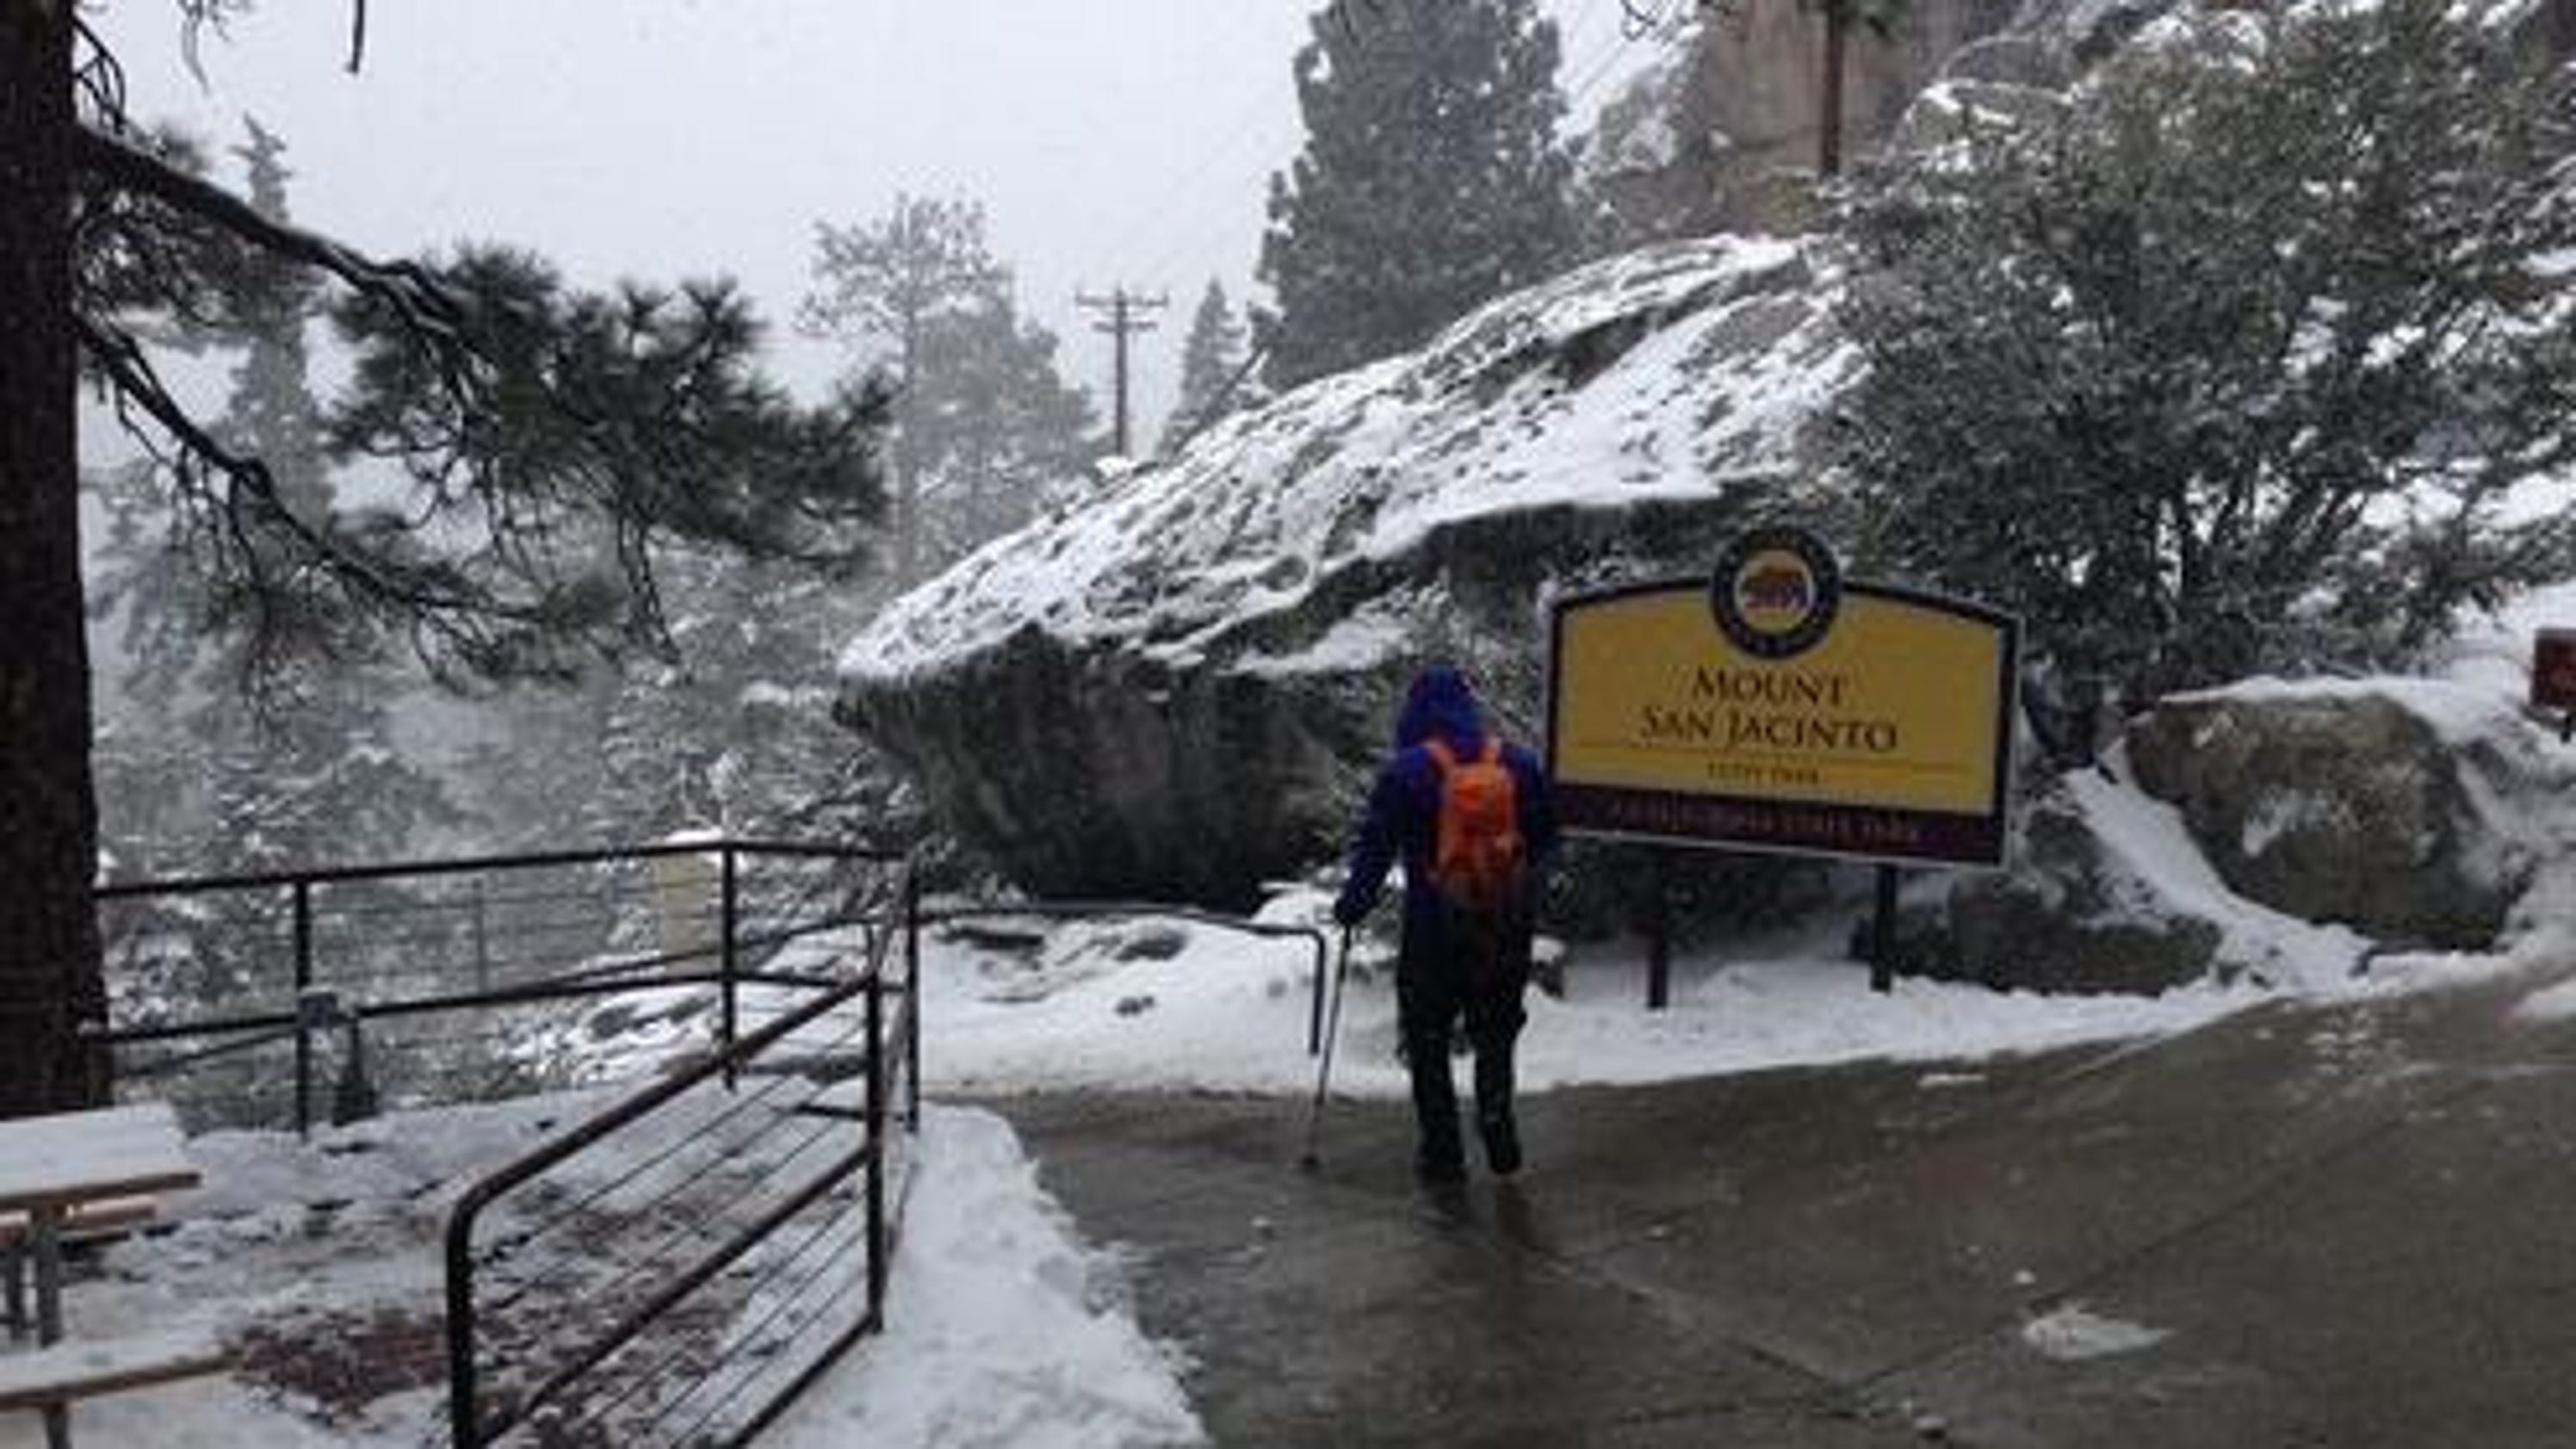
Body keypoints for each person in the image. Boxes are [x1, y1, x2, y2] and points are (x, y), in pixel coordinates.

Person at [1334, 665, 1557, 1182]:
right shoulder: (1517, 762)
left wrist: (1352, 906)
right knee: (1496, 1031)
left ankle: (1442, 1151)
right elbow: (1546, 835)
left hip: (1433, 928)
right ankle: (1498, 1126)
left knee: (1427, 1036)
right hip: (1503, 922)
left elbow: (1374, 850)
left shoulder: (1406, 771)